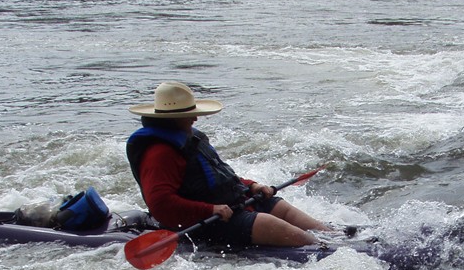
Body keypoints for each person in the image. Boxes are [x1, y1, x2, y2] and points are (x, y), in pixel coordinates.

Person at [126, 82, 329, 247]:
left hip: (232, 205)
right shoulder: (159, 154)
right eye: (189, 115)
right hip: (205, 222)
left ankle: (336, 236)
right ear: (173, 118)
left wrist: (251, 186)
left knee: (282, 209)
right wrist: (208, 210)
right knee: (277, 227)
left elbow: (219, 177)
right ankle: (324, 248)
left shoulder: (190, 139)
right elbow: (160, 205)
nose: (196, 118)